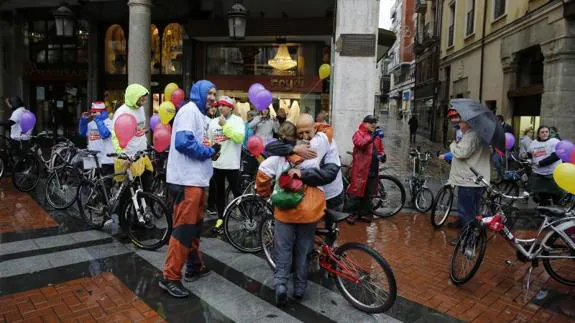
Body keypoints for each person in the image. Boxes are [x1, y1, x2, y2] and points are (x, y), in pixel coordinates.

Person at [256, 120, 331, 306]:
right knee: (303, 250)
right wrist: (316, 125)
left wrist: (265, 193)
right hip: (309, 212)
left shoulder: (278, 157)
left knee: (283, 250)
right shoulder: (315, 153)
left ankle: (281, 285)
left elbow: (263, 173)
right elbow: (328, 131)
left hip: (285, 212)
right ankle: (299, 288)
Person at [160, 80, 220, 298]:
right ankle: (169, 277)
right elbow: (183, 143)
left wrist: (211, 150)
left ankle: (194, 266)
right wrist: (208, 152)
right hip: (186, 182)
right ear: (200, 93)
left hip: (196, 181)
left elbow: (195, 144)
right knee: (184, 230)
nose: (213, 97)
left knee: (194, 228)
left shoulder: (200, 115)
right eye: (210, 93)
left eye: (215, 93)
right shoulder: (189, 111)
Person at [265, 114, 343, 212]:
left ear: (314, 128)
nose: (305, 136)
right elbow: (270, 147)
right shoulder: (299, 143)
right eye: (301, 133)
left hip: (332, 195)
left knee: (329, 225)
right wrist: (293, 149)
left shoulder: (326, 141)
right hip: (312, 194)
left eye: (307, 132)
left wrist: (301, 173)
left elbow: (330, 173)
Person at [444, 109, 491, 243]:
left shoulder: (472, 135)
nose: (459, 124)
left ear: (469, 123)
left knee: (468, 213)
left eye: (462, 122)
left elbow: (461, 153)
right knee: (474, 211)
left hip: (469, 180)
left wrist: (453, 144)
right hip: (474, 179)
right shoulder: (478, 134)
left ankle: (467, 239)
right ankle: (473, 236)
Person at [208, 96, 245, 232]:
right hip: (217, 164)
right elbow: (210, 141)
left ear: (230, 107)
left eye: (224, 105)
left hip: (232, 164)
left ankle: (246, 216)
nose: (221, 108)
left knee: (236, 192)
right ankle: (220, 219)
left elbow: (239, 138)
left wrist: (225, 126)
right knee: (219, 194)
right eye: (219, 105)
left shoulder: (238, 121)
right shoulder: (213, 122)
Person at [347, 115, 385, 224]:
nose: (374, 124)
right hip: (360, 171)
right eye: (371, 122)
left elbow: (380, 150)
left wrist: (382, 155)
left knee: (368, 194)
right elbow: (360, 144)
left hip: (372, 169)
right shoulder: (358, 134)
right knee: (357, 194)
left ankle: (365, 214)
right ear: (364, 123)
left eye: (375, 122)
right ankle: (352, 214)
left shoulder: (377, 137)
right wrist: (372, 137)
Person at [527, 126, 563, 206]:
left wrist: (540, 163)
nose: (544, 134)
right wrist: (526, 157)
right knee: (541, 196)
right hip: (539, 174)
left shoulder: (554, 141)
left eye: (546, 132)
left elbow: (556, 156)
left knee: (556, 196)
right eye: (542, 132)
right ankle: (544, 213)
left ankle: (557, 213)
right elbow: (529, 154)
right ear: (538, 134)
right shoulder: (534, 142)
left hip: (552, 174)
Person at [78, 102, 114, 175]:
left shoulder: (109, 122)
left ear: (101, 112)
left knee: (105, 184)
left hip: (105, 159)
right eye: (92, 112)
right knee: (91, 182)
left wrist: (98, 119)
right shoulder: (91, 124)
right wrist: (83, 120)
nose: (92, 114)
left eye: (95, 112)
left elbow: (105, 134)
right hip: (92, 158)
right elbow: (82, 133)